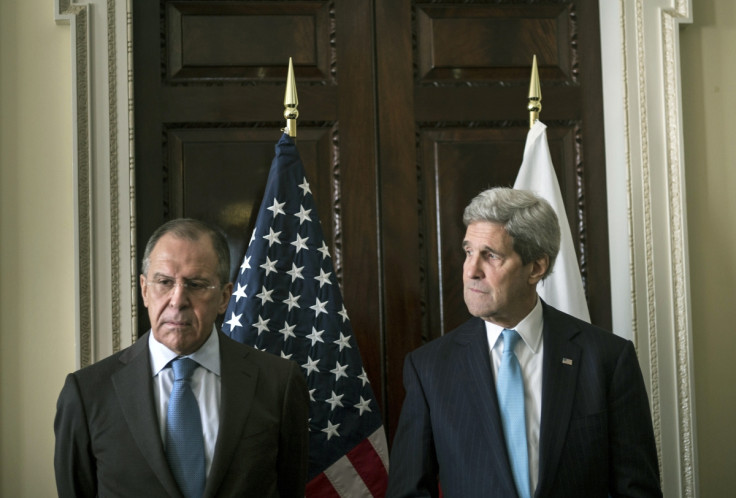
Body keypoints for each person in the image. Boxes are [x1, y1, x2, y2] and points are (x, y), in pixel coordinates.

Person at [386, 188, 661, 498]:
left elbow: (638, 491)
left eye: (490, 255)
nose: (471, 270)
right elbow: (407, 492)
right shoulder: (429, 367)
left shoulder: (607, 358)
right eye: (468, 252)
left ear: (536, 267)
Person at [54, 218, 309, 497]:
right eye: (164, 282)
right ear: (144, 290)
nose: (177, 300)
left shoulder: (279, 383)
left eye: (196, 284)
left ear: (224, 297)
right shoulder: (87, 394)